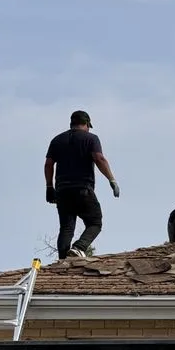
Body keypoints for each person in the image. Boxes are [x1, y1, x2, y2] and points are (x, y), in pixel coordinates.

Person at [44, 110, 120, 259]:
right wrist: (112, 180)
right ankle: (79, 247)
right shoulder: (91, 138)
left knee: (66, 228)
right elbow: (99, 158)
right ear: (86, 124)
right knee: (95, 222)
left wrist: (49, 187)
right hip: (82, 188)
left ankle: (62, 260)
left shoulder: (57, 140)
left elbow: (48, 164)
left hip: (62, 190)